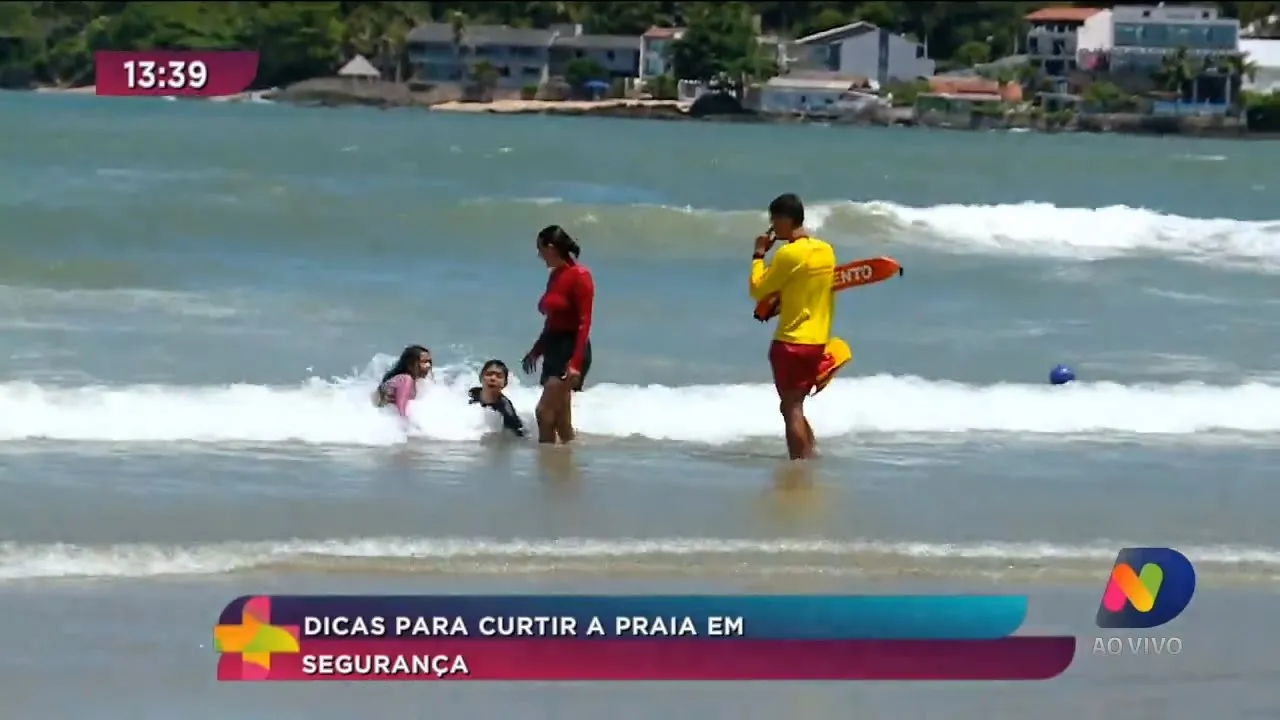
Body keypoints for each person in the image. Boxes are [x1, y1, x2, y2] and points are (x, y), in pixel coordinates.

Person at [748, 193, 836, 461]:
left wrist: (759, 254)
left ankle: (801, 466)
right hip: (818, 340)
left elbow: (757, 289)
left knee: (791, 407)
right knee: (794, 406)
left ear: (786, 220)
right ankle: (811, 455)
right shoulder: (826, 251)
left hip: (790, 342)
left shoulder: (788, 254)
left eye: (774, 221)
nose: (773, 227)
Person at [521, 225, 593, 444]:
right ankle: (564, 469)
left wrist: (575, 363)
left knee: (544, 412)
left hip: (571, 349)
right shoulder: (555, 276)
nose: (539, 256)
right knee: (561, 419)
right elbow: (552, 321)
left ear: (551, 248)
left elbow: (584, 322)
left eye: (540, 250)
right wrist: (536, 350)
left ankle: (545, 470)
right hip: (553, 346)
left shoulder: (580, 276)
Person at [468, 359, 525, 436]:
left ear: (505, 383)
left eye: (499, 376)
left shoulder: (506, 410)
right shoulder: (472, 393)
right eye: (489, 374)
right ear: (481, 378)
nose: (493, 378)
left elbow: (519, 432)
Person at [373, 345, 432, 418]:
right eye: (423, 362)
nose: (428, 365)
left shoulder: (413, 381)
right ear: (410, 364)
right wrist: (408, 427)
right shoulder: (405, 380)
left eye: (429, 361)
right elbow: (401, 410)